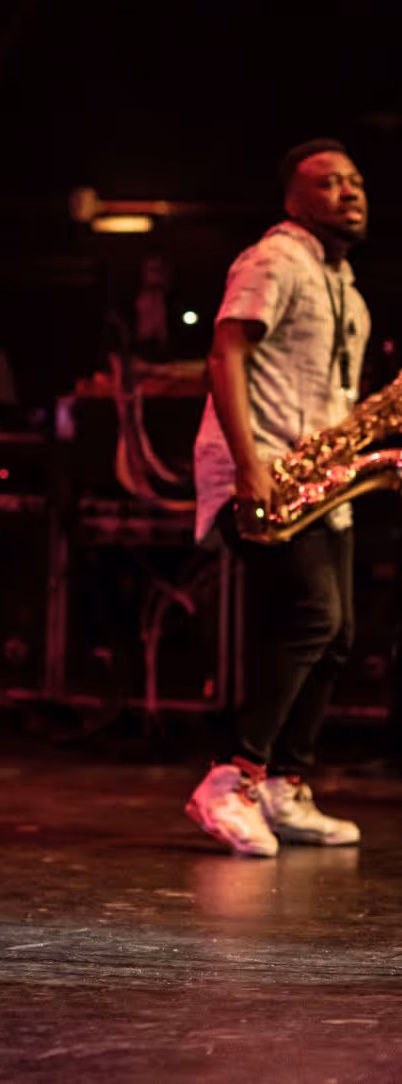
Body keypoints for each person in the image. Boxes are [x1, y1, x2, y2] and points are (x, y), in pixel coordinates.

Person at [186, 139, 368, 856]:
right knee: (310, 614)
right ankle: (232, 778)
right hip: (265, 466)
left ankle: (285, 784)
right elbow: (225, 352)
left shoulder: (342, 281)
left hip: (322, 479)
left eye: (356, 180)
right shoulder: (275, 258)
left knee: (339, 630)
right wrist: (249, 463)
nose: (350, 191)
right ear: (293, 200)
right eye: (329, 182)